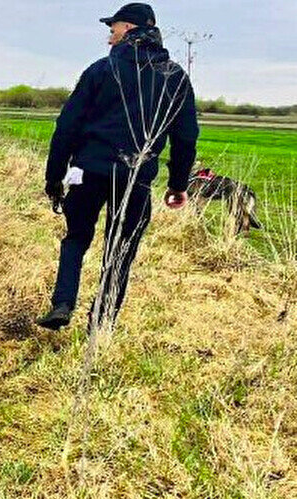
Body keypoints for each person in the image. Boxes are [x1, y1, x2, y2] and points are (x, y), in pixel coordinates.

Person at [36, 2, 198, 331]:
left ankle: (63, 303)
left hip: (89, 171)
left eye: (112, 31)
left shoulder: (100, 70)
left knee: (75, 238)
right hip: (136, 178)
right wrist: (177, 184)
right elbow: (186, 137)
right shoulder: (175, 77)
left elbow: (66, 127)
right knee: (121, 249)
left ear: (128, 29)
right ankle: (102, 322)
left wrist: (54, 178)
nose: (109, 40)